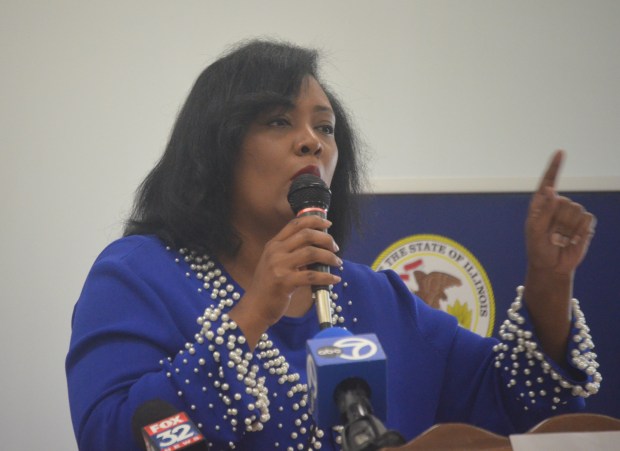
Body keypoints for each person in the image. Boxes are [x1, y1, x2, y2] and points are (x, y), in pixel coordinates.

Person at [66, 39, 600, 451]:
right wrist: (253, 313)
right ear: (216, 146)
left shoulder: (377, 299)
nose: (312, 141)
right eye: (279, 121)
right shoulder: (139, 277)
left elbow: (518, 406)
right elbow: (117, 436)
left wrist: (550, 281)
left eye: (325, 127)